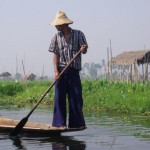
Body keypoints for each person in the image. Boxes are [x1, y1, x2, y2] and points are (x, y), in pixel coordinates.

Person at [48, 11, 88, 129]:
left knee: (75, 97)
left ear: (64, 24)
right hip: (61, 71)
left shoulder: (79, 34)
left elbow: (84, 50)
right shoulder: (56, 37)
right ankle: (60, 124)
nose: (55, 26)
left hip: (74, 70)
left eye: (57, 24)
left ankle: (76, 123)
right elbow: (55, 55)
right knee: (59, 98)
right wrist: (56, 72)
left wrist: (83, 48)